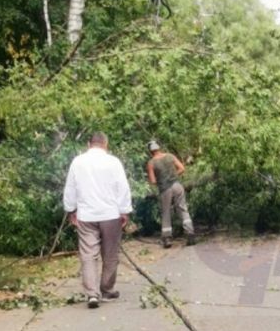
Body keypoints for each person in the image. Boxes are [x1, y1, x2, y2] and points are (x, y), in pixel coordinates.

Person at [63, 132, 132, 309]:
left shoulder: (78, 162)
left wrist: (71, 210)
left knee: (88, 254)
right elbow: (122, 188)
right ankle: (107, 289)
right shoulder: (113, 162)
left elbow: (70, 188)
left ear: (89, 144)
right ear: (105, 144)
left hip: (86, 215)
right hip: (110, 214)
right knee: (110, 254)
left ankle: (92, 294)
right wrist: (124, 211)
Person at [146, 140, 196, 248]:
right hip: (177, 185)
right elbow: (182, 168)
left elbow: (153, 181)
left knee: (166, 212)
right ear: (159, 148)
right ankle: (190, 233)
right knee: (183, 208)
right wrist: (174, 175)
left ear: (150, 151)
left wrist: (161, 180)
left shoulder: (151, 163)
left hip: (165, 189)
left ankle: (167, 238)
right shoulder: (170, 156)